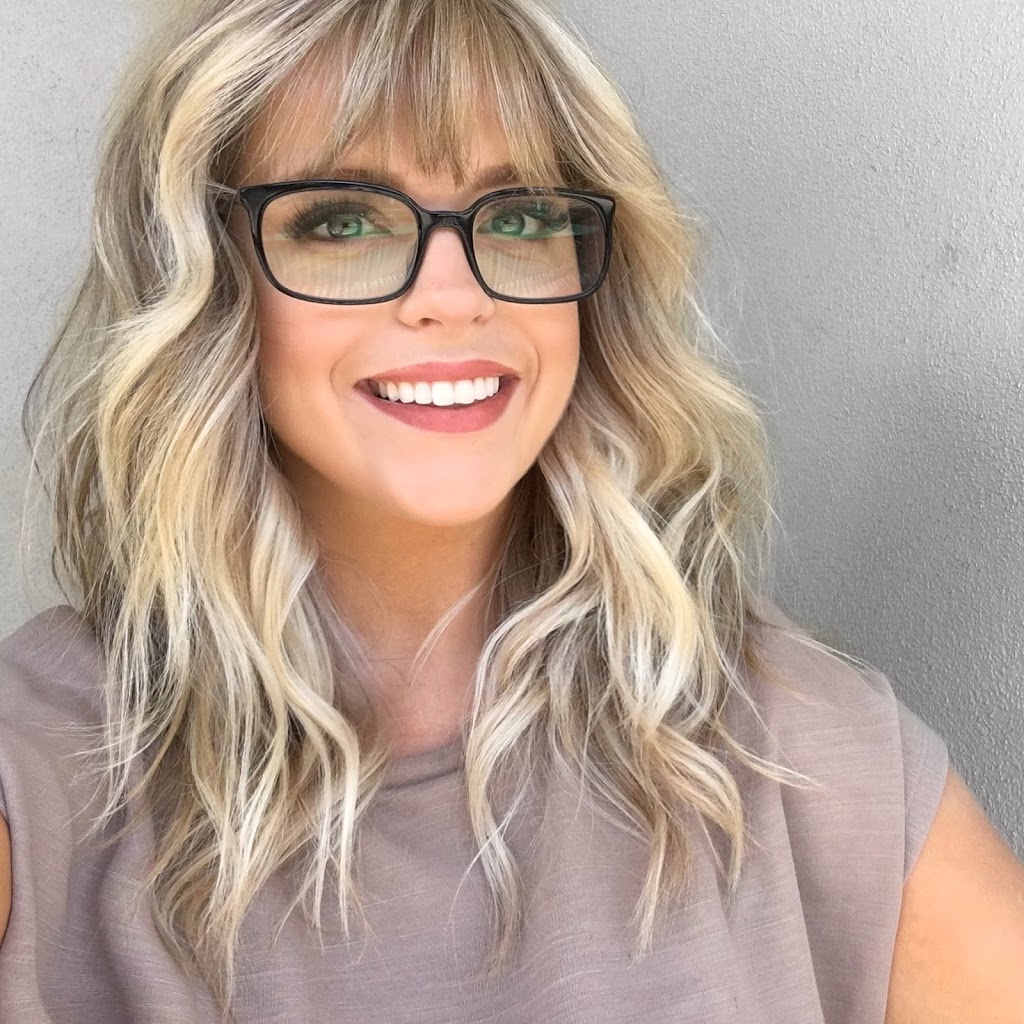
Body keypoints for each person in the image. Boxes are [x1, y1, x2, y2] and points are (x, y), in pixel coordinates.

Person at [1, 0, 1022, 1021]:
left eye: (521, 215)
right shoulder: (38, 769)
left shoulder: (798, 750)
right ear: (208, 278)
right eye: (343, 220)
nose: (454, 296)